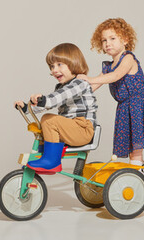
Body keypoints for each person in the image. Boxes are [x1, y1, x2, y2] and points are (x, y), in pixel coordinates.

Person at [82, 18, 144, 204]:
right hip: (125, 109)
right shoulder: (108, 66)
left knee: (135, 153)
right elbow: (96, 84)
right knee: (131, 153)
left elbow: (116, 76)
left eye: (112, 38)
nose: (107, 43)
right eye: (104, 40)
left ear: (125, 40)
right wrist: (79, 87)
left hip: (138, 106)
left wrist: (90, 79)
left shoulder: (128, 58)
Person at [14, 43, 97, 174]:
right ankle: (43, 158)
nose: (54, 70)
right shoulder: (60, 87)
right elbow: (50, 104)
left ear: (74, 63)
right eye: (52, 66)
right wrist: (27, 108)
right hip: (71, 128)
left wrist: (43, 100)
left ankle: (51, 161)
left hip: (83, 129)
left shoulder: (80, 83)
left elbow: (57, 98)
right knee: (43, 126)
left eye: (59, 64)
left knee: (49, 120)